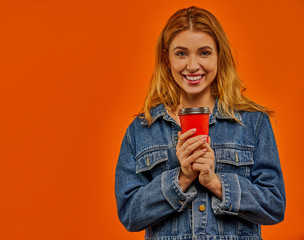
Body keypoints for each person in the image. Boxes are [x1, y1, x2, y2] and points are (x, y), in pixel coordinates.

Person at [114, 6, 285, 240]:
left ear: (218, 55)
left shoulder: (253, 123)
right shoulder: (142, 130)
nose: (193, 65)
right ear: (166, 58)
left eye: (204, 53)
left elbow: (274, 206)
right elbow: (130, 214)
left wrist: (216, 183)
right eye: (181, 53)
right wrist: (182, 177)